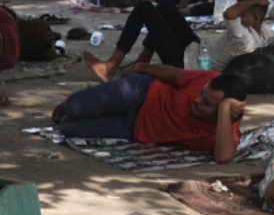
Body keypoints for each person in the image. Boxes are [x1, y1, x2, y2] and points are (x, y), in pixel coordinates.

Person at [51, 61, 248, 161]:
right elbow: (174, 74)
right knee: (75, 107)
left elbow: (223, 158)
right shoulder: (208, 78)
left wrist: (223, 109)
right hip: (140, 92)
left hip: (132, 128)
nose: (196, 101)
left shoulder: (225, 128)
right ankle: (71, 104)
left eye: (205, 103)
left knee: (68, 127)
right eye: (201, 95)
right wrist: (141, 67)